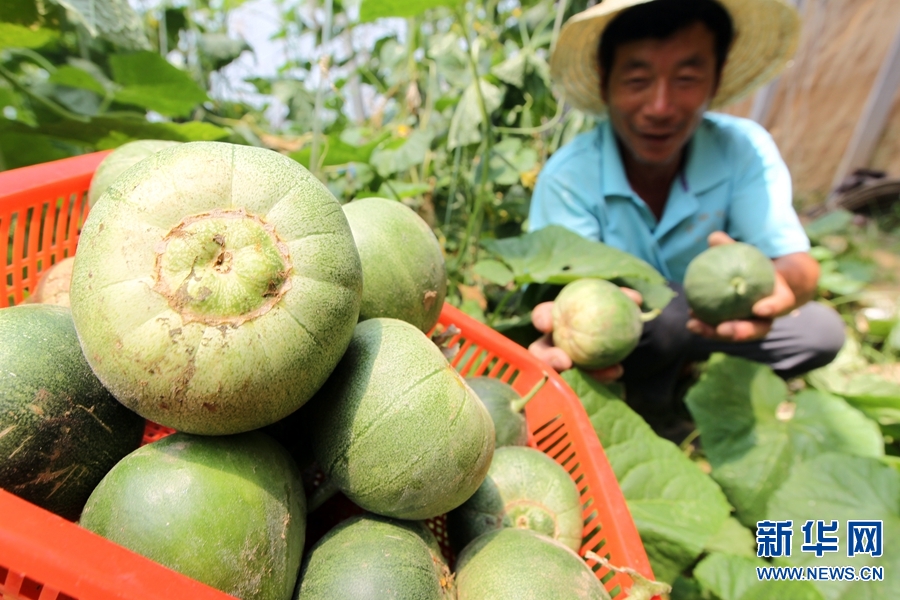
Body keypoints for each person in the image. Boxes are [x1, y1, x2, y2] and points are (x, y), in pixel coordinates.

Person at [526, 0, 846, 436]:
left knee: (820, 333)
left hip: (721, 317)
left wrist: (780, 291)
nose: (660, 106)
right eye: (638, 80)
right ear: (605, 84)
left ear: (715, 81)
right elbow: (561, 296)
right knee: (664, 315)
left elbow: (797, 266)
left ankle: (695, 373)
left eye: (687, 79)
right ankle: (646, 399)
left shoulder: (744, 149)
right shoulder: (569, 177)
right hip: (630, 334)